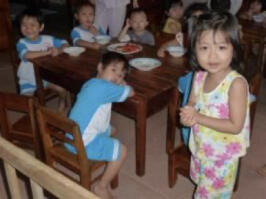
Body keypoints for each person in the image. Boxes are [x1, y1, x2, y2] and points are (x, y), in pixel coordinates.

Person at [180, 12, 250, 198]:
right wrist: (188, 114)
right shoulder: (199, 76)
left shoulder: (236, 84)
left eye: (221, 47)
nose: (212, 55)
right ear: (194, 49)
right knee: (201, 184)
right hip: (201, 147)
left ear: (234, 48)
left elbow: (235, 126)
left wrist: (198, 117)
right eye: (204, 47)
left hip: (222, 157)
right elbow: (193, 102)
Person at [66, 52, 134, 199]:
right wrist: (124, 85)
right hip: (81, 143)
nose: (117, 77)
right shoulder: (105, 88)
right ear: (100, 67)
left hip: (70, 136)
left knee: (111, 129)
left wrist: (107, 130)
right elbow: (131, 93)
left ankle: (105, 139)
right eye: (114, 70)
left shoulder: (90, 83)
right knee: (121, 151)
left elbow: (94, 114)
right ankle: (100, 187)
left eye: (121, 75)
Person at [16, 8, 70, 114]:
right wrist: (47, 52)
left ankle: (62, 105)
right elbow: (27, 55)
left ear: (41, 27)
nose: (28, 28)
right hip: (28, 79)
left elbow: (65, 43)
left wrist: (58, 50)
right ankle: (37, 118)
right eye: (24, 25)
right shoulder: (21, 42)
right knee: (27, 103)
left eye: (32, 25)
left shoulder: (48, 39)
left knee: (62, 89)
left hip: (45, 78)